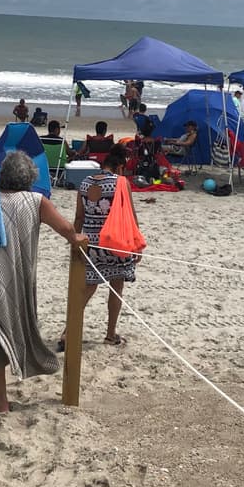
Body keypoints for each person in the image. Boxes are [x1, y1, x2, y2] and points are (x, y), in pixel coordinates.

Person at [0, 151, 86, 414]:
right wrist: (76, 239)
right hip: (13, 280)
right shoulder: (36, 201)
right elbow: (66, 228)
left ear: (2, 175)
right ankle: (1, 401)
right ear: (30, 178)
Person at [67, 145, 138, 351]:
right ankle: (110, 334)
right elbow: (130, 216)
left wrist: (74, 241)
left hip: (90, 242)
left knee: (88, 288)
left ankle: (67, 331)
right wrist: (136, 245)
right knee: (116, 287)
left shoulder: (85, 183)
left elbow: (79, 217)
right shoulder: (121, 183)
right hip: (115, 241)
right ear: (120, 167)